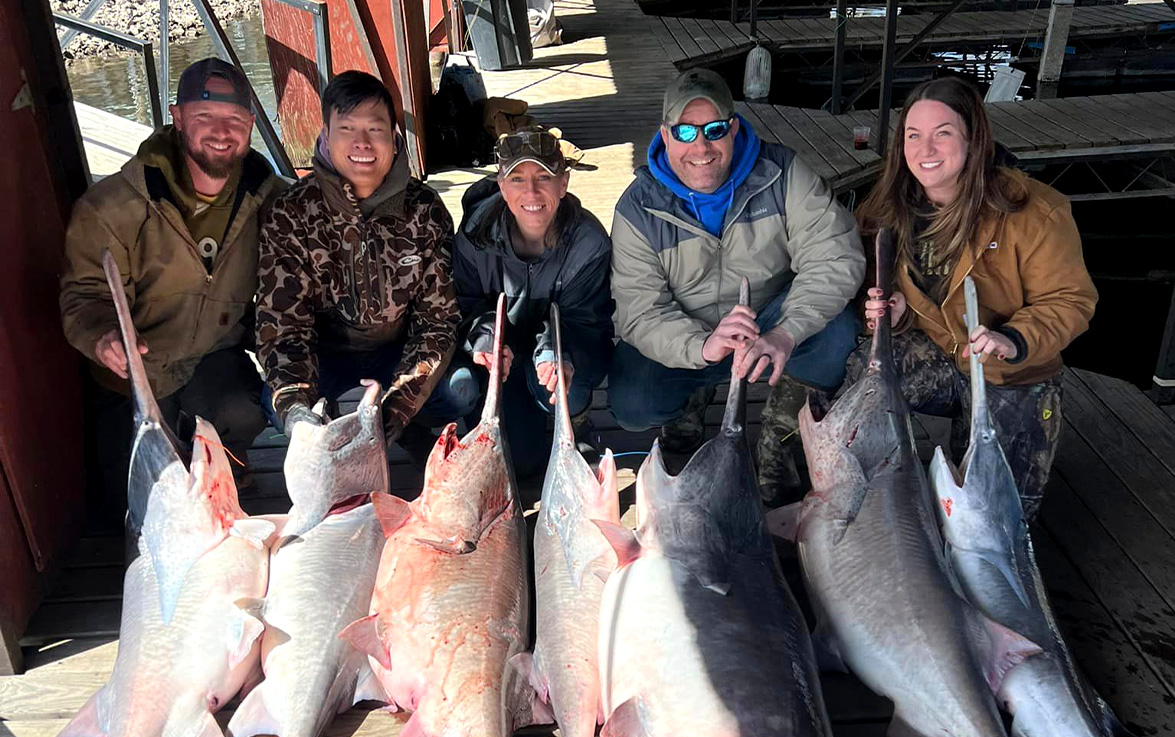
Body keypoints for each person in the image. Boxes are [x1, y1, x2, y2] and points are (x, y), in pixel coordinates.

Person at [608, 67, 864, 495]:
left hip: (767, 327)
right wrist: (702, 347)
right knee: (632, 402)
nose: (702, 147)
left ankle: (780, 434)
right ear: (665, 135)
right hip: (693, 337)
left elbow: (835, 256)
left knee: (838, 338)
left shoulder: (784, 174)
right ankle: (690, 405)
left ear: (734, 128)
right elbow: (639, 311)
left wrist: (786, 331)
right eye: (686, 133)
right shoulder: (637, 209)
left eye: (713, 130)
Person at [855, 76, 1097, 520]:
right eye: (913, 135)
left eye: (942, 134)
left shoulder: (1035, 209)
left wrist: (1013, 338)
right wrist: (895, 311)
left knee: (996, 514)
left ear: (973, 138)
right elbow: (876, 290)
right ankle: (875, 505)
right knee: (857, 373)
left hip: (1010, 373)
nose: (925, 150)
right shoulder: (887, 207)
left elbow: (1071, 300)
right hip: (939, 355)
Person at [60, 58, 283, 523]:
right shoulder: (111, 208)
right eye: (204, 118)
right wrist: (104, 338)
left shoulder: (270, 196)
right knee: (131, 510)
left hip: (212, 360)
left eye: (234, 120)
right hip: (134, 381)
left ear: (252, 124)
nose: (221, 132)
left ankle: (226, 465)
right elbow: (83, 297)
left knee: (243, 410)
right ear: (177, 118)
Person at [256, 71, 463, 456]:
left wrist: (397, 408)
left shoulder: (425, 208)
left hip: (397, 351)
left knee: (458, 389)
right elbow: (282, 326)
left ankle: (408, 429)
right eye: (347, 128)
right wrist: (298, 407)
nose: (362, 143)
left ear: (395, 137)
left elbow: (438, 321)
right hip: (323, 356)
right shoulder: (291, 211)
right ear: (326, 135)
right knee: (277, 405)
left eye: (375, 128)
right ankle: (325, 432)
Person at [445, 129, 613, 478]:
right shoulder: (475, 236)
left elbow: (589, 324)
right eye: (517, 178)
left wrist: (556, 355)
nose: (532, 192)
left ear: (564, 183)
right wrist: (486, 341)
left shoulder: (589, 243)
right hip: (498, 362)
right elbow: (463, 306)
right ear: (502, 186)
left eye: (544, 177)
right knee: (521, 465)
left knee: (573, 379)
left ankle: (577, 424)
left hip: (555, 353)